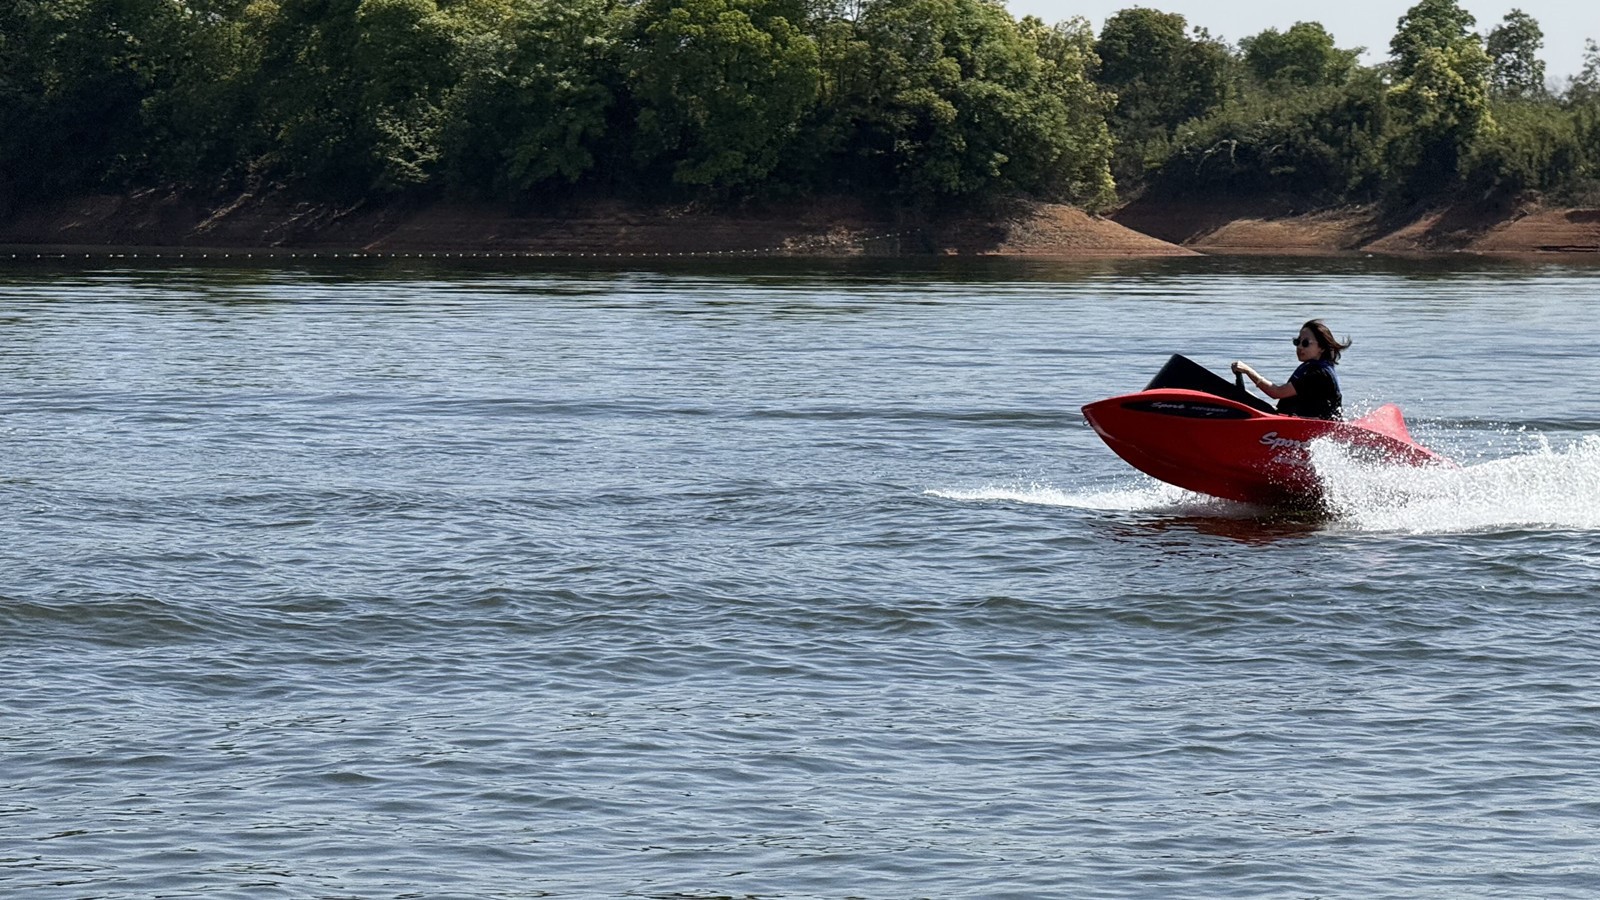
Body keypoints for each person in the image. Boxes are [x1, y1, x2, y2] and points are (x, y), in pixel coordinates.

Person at [1231, 319, 1349, 420]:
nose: (1299, 347)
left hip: (1317, 426)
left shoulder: (1319, 374)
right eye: (1297, 342)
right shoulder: (1312, 368)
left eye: (1305, 343)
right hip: (1297, 418)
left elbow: (1277, 392)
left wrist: (1248, 371)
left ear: (1321, 348)